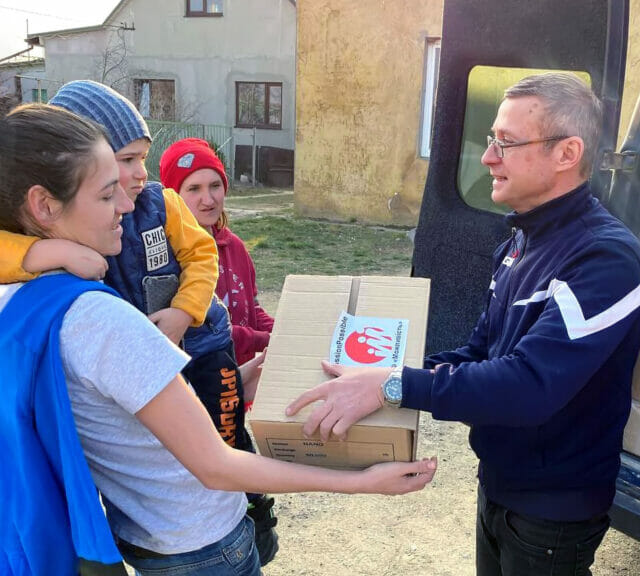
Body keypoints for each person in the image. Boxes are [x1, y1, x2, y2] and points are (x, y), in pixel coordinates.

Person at [0, 103, 437, 576]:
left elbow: (117, 411)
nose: (126, 206)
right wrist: (361, 481)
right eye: (108, 195)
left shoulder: (21, 301)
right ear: (44, 205)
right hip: (202, 543)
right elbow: (215, 467)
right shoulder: (99, 317)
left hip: (147, 535)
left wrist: (239, 378)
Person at [286, 73, 640, 576]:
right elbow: (481, 352)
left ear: (567, 153)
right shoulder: (522, 240)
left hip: (553, 506)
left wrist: (394, 385)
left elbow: (529, 386)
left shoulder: (605, 259)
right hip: (502, 480)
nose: (487, 158)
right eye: (490, 140)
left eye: (507, 142)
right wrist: (373, 378)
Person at [0, 80, 259, 566]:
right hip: (147, 377)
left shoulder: (159, 203)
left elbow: (203, 254)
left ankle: (256, 513)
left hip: (201, 345)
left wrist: (184, 314)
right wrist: (50, 250)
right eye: (123, 162)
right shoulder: (82, 294)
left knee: (229, 429)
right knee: (200, 455)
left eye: (143, 157)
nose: (137, 176)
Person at [159, 138, 274, 367]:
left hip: (243, 381)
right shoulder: (168, 258)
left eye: (215, 185)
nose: (208, 200)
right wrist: (270, 340)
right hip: (202, 386)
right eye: (194, 189)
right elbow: (207, 329)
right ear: (174, 198)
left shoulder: (235, 246)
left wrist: (287, 330)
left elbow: (252, 310)